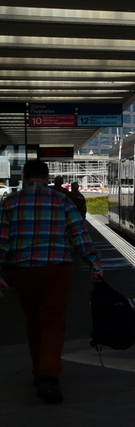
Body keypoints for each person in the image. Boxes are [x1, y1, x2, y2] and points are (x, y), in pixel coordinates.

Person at [0, 160, 103, 404]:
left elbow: (2, 240)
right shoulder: (62, 200)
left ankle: (40, 372)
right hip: (56, 270)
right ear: (47, 179)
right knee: (53, 323)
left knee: (34, 323)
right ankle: (48, 377)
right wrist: (94, 264)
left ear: (24, 179)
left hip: (23, 271)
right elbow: (79, 233)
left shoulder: (10, 203)